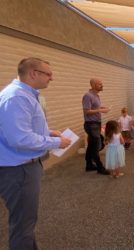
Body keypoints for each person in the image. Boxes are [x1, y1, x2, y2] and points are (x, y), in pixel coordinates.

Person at [0, 57, 71, 249]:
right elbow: (19, 138)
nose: (52, 78)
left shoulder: (23, 95)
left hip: (21, 168)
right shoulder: (17, 97)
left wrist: (47, 132)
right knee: (23, 226)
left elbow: (18, 129)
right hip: (19, 170)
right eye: (48, 74)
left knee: (26, 222)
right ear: (33, 73)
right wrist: (56, 141)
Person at [82, 78, 110, 175]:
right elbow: (86, 111)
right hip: (91, 124)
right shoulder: (87, 96)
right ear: (93, 85)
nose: (102, 85)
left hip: (96, 123)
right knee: (96, 146)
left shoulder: (96, 96)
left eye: (101, 83)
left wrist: (102, 108)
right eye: (99, 84)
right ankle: (100, 167)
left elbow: (95, 108)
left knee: (91, 145)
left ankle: (89, 165)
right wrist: (100, 110)